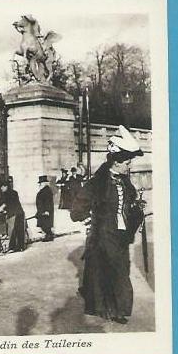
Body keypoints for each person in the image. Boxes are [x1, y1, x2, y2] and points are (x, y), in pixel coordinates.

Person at [71, 125, 145, 324]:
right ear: (117, 162)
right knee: (115, 271)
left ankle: (106, 305)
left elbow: (127, 206)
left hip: (120, 236)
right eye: (127, 162)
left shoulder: (124, 182)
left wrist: (137, 208)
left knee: (115, 269)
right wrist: (90, 222)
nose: (129, 166)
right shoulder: (97, 183)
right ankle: (115, 310)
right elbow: (76, 210)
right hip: (103, 235)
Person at [0, 179, 26, 251]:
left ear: (6, 186)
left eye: (2, 187)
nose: (1, 188)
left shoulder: (6, 194)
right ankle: (21, 247)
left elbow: (3, 204)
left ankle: (13, 247)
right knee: (20, 230)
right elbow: (8, 203)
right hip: (20, 213)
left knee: (12, 231)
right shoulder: (14, 192)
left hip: (14, 215)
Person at [36, 175, 54, 241]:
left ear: (44, 183)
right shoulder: (43, 190)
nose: (39, 184)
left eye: (40, 183)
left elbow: (48, 202)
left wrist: (47, 210)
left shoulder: (47, 191)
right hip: (42, 211)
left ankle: (49, 236)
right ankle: (48, 235)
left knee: (46, 225)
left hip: (45, 211)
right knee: (43, 224)